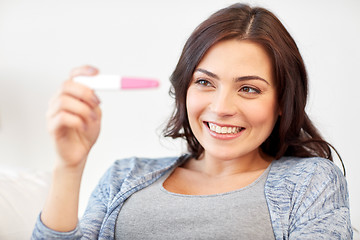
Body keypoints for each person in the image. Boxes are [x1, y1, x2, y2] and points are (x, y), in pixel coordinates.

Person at [32, 3, 352, 239]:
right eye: (205, 82)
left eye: (249, 88)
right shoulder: (124, 176)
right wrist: (70, 167)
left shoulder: (311, 181)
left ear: (283, 101)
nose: (221, 106)